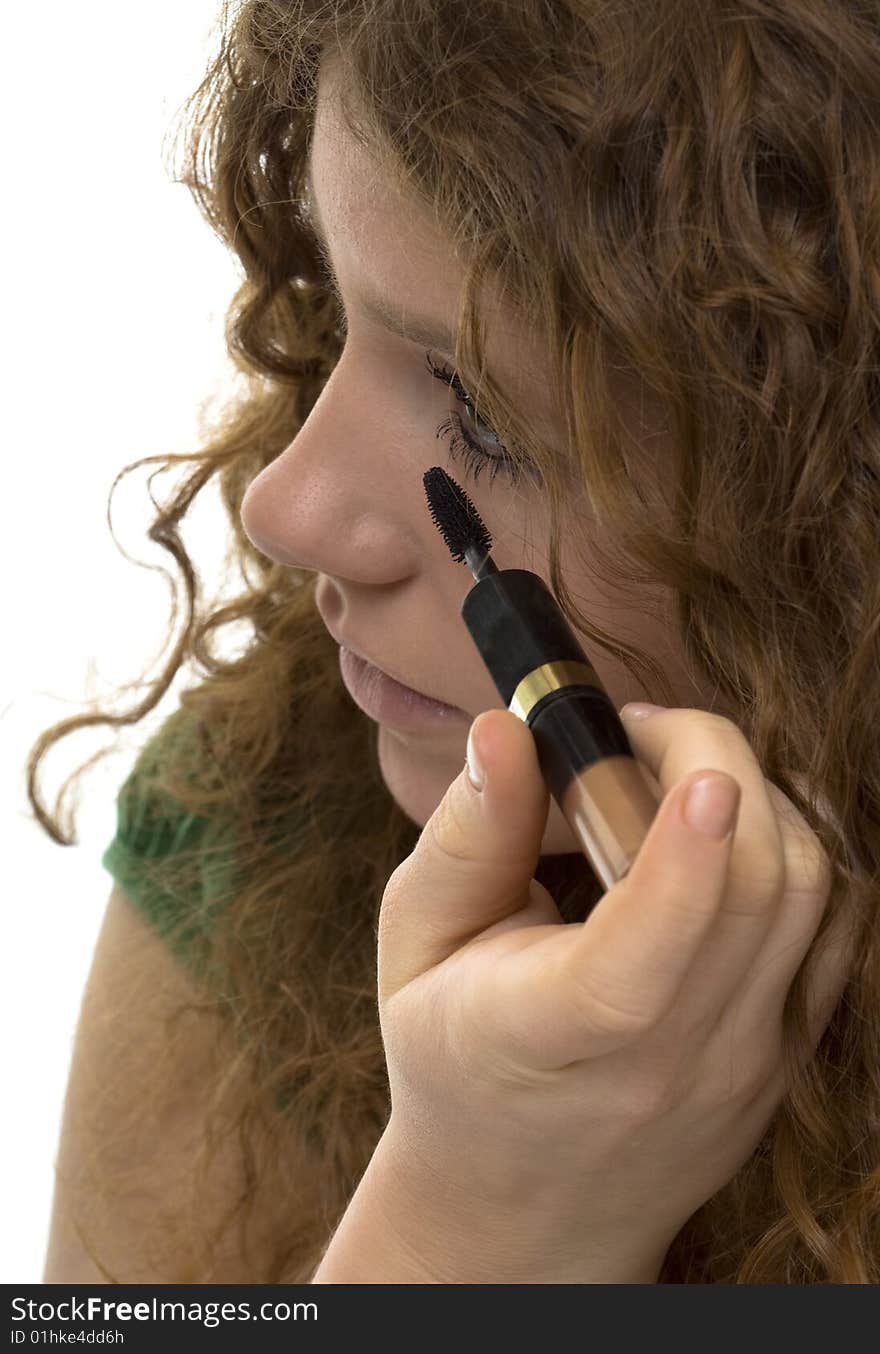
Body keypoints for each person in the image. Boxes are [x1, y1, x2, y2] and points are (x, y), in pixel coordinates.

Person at [29, 0, 879, 1283]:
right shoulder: (261, 822)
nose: (289, 509)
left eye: (481, 413)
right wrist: (467, 1225)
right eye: (335, 306)